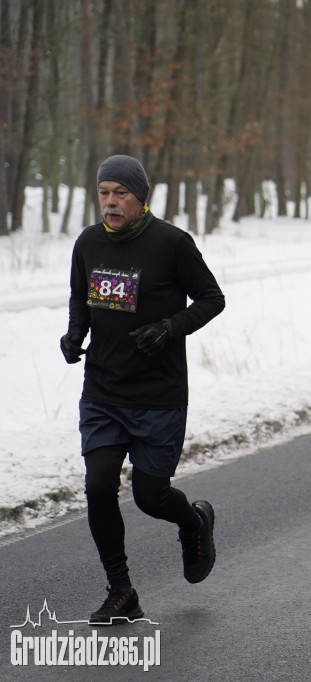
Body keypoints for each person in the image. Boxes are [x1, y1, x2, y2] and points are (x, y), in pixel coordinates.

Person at [61, 155, 225, 624]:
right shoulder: (89, 243)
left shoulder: (172, 243)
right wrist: (75, 334)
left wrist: (170, 327)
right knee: (98, 486)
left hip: (158, 394)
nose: (110, 203)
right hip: (103, 391)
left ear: (141, 197)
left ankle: (193, 522)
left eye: (121, 194)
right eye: (104, 193)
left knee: (151, 497)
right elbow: (81, 296)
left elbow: (213, 298)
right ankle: (121, 591)